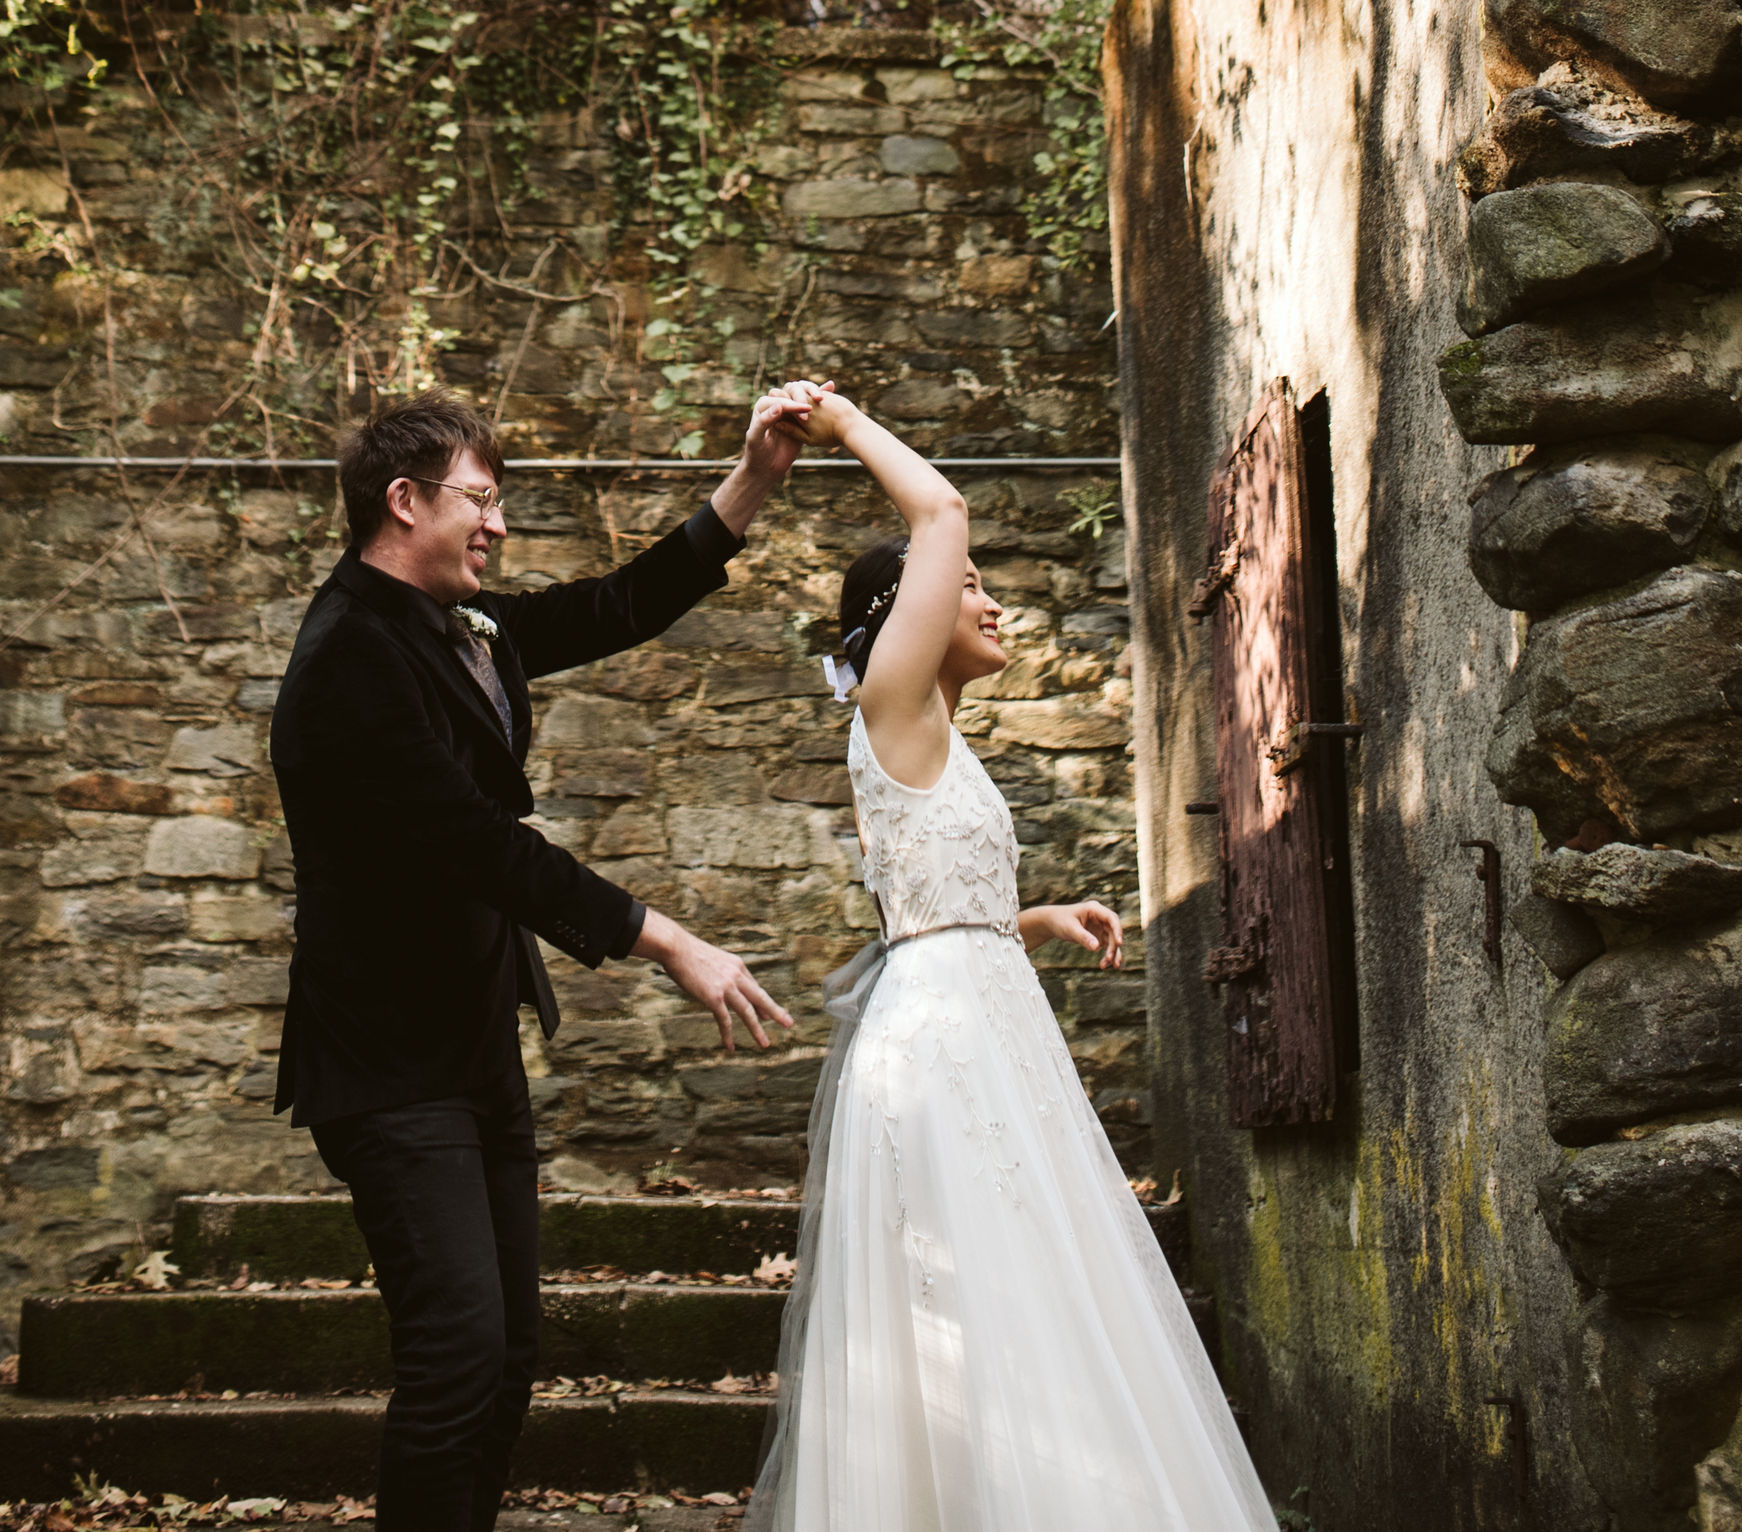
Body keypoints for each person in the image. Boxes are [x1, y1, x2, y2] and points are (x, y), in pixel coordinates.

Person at [269, 388, 806, 1532]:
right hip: (386, 1064)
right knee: (456, 1356)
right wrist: (665, 937)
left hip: (472, 1046)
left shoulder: (458, 625)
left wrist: (751, 476)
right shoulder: (347, 654)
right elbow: (474, 840)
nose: (498, 525)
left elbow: (619, 603)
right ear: (402, 499)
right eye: (480, 497)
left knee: (508, 1351)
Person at [748, 389, 1279, 1532]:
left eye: (983, 580)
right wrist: (836, 421)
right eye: (972, 583)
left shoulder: (929, 731)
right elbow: (940, 506)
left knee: (1029, 1290)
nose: (990, 599)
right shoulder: (893, 702)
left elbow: (921, 902)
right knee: (996, 1303)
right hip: (947, 1053)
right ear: (905, 612)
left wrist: (1028, 916)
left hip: (975, 1014)